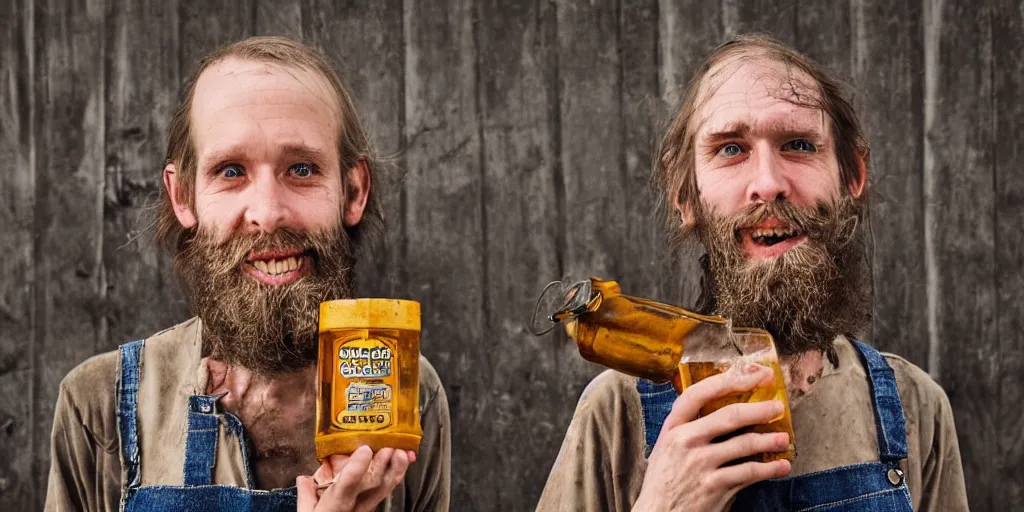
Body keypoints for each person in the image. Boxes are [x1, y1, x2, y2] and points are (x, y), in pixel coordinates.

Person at [536, 35, 968, 511]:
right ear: (685, 196)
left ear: (851, 178)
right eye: (730, 149)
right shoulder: (616, 414)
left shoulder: (915, 408)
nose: (768, 184)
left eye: (799, 144)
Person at [43, 36, 450, 512]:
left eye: (301, 168)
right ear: (183, 197)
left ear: (354, 191)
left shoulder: (405, 392)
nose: (268, 213)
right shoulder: (97, 406)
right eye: (231, 171)